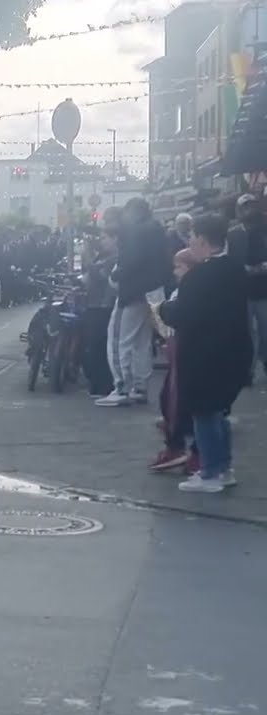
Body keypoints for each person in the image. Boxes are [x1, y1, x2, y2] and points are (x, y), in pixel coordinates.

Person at [158, 214, 251, 492]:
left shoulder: (200, 275)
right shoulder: (235, 268)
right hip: (235, 348)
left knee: (203, 411)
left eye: (191, 238)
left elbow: (185, 315)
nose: (189, 242)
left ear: (200, 239)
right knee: (219, 411)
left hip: (205, 353)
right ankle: (223, 468)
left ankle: (210, 471)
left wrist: (164, 310)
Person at [97, 198, 171, 407]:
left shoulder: (135, 232)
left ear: (131, 212)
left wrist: (116, 275)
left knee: (118, 339)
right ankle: (140, 387)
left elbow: (131, 260)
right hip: (152, 291)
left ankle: (121, 387)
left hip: (132, 292)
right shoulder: (157, 231)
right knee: (142, 341)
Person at [150, 248, 200, 474]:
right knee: (169, 397)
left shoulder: (191, 290)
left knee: (177, 398)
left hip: (186, 349)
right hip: (178, 347)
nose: (175, 271)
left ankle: (181, 446)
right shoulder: (183, 289)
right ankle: (176, 441)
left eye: (179, 266)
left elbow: (179, 315)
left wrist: (162, 310)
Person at [226, 194, 267, 384]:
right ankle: (247, 370)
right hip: (241, 289)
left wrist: (262, 267)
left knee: (264, 330)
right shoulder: (233, 233)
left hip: (263, 289)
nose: (249, 210)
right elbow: (229, 258)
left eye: (252, 206)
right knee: (246, 332)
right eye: (246, 207)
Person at [81, 230, 117, 397]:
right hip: (95, 303)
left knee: (99, 346)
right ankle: (97, 383)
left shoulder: (114, 258)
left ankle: (103, 386)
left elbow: (98, 276)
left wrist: (88, 255)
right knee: (93, 346)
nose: (101, 241)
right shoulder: (104, 255)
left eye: (105, 238)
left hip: (103, 306)